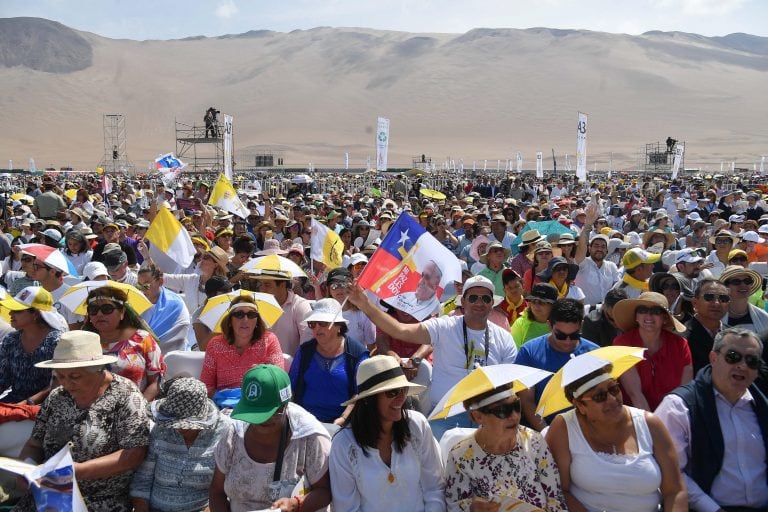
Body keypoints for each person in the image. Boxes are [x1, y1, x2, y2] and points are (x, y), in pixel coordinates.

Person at [348, 275, 518, 440]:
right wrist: (365, 304)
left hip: (489, 416)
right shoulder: (444, 326)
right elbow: (400, 330)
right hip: (446, 415)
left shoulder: (504, 338)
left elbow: (507, 385)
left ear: (492, 304)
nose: (479, 303)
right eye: (473, 298)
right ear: (463, 302)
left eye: (485, 299)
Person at [17, 330, 150, 511]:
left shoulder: (126, 395)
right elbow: (34, 444)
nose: (66, 383)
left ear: (98, 371)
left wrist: (76, 472)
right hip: (49, 496)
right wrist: (27, 468)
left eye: (74, 377)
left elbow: (133, 454)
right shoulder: (57, 397)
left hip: (99, 501)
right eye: (60, 376)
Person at [546, 364, 687, 512]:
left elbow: (675, 491)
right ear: (580, 405)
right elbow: (559, 491)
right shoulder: (563, 428)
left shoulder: (651, 424)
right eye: (600, 396)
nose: (612, 399)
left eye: (614, 389)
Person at [655, 327, 768, 512]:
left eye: (752, 361)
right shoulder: (679, 407)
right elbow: (671, 473)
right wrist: (712, 509)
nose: (742, 365)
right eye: (733, 357)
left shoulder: (762, 407)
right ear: (713, 358)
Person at [329, 356, 445, 512]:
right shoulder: (343, 443)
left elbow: (435, 489)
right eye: (393, 392)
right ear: (368, 399)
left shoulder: (418, 425)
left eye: (403, 390)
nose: (401, 398)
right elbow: (347, 508)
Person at [210, 365, 332, 512]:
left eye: (268, 414)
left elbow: (325, 491)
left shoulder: (310, 437)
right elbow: (217, 492)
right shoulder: (233, 432)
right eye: (253, 413)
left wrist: (296, 504)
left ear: (285, 405)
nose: (260, 421)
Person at [444, 383, 567, 511]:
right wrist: (473, 508)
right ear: (478, 416)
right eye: (504, 411)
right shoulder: (460, 457)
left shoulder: (534, 441)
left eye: (516, 406)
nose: (514, 416)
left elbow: (556, 500)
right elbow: (456, 506)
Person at [130, 377, 232, 512]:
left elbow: (233, 486)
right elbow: (142, 481)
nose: (178, 429)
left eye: (185, 427)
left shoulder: (225, 431)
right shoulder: (161, 429)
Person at [516, 298, 600, 431]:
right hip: (542, 428)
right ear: (549, 325)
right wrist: (546, 432)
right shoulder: (529, 352)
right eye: (560, 336)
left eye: (574, 335)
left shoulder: (595, 353)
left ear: (581, 326)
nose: (567, 342)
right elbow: (527, 401)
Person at [289, 298, 369, 425]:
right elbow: (291, 387)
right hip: (306, 423)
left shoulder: (357, 354)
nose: (316, 328)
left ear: (338, 326)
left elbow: (362, 394)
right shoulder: (304, 352)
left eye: (322, 323)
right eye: (312, 324)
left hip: (345, 425)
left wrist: (343, 419)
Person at [82, 285, 166, 401]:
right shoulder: (82, 343)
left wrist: (139, 407)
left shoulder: (143, 339)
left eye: (107, 309)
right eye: (93, 310)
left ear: (122, 312)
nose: (99, 314)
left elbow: (156, 381)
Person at [612, 292, 693, 411]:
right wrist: (653, 427)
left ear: (665, 318)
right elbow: (635, 394)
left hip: (673, 413)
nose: (649, 315)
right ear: (636, 317)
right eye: (642, 310)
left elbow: (684, 392)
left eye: (656, 311)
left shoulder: (680, 345)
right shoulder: (622, 344)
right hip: (635, 416)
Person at [200, 296, 285, 397]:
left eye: (251, 314)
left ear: (257, 321)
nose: (245, 319)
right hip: (223, 405)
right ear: (230, 321)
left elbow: (278, 380)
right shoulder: (215, 345)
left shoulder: (269, 340)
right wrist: (226, 398)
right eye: (239, 314)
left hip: (259, 402)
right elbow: (206, 385)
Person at [0, 287, 66, 405]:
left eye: (17, 311)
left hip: (49, 406)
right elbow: (3, 378)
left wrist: (27, 403)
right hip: (15, 403)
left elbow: (59, 382)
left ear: (35, 313)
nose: (10, 313)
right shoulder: (10, 340)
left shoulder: (58, 341)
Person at [137, 262, 191, 353]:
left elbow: (172, 339)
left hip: (174, 358)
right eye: (139, 285)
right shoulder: (136, 303)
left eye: (146, 285)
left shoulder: (175, 304)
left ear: (160, 282)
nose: (143, 290)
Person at [684, 278, 729, 375]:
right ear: (695, 303)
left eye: (723, 298)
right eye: (709, 297)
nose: (717, 303)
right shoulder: (681, 338)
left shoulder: (734, 336)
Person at [719, 264, 768, 332]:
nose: (743, 285)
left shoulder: (764, 317)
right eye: (736, 282)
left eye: (747, 281)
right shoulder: (715, 316)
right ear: (725, 287)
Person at [510, 282, 557, 347]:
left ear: (553, 305)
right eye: (533, 301)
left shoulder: (560, 326)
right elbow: (514, 351)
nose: (536, 306)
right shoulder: (520, 323)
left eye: (542, 302)